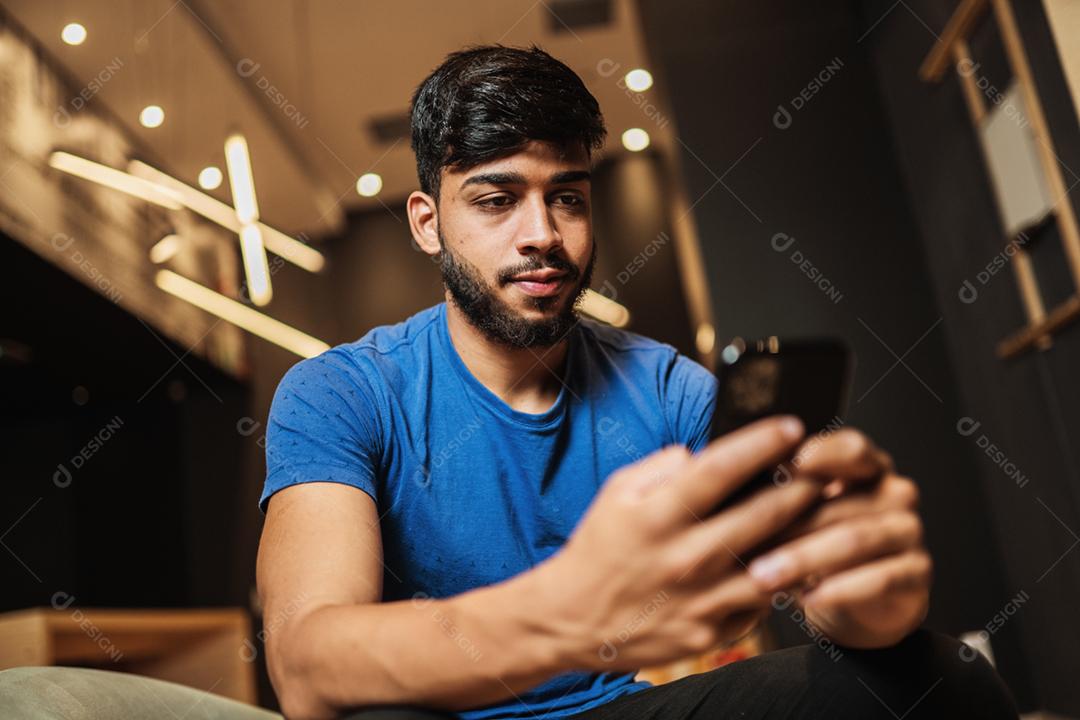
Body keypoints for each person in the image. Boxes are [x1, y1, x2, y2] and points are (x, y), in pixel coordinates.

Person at [255, 45, 1017, 720]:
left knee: (941, 678)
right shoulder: (341, 392)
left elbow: (812, 583)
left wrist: (871, 608)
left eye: (567, 197)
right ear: (427, 224)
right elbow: (305, 666)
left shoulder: (670, 391)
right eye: (496, 200)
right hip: (437, 716)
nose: (542, 234)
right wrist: (565, 613)